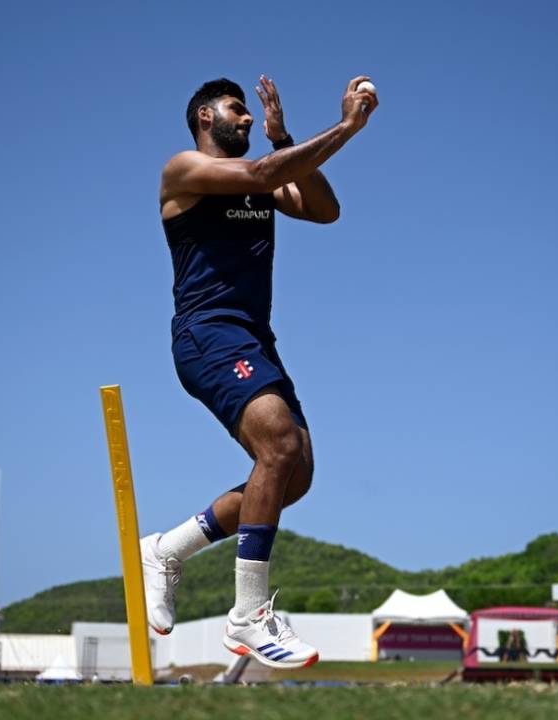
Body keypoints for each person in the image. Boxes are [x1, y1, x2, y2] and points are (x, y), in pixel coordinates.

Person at [137, 75, 378, 670]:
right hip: (207, 334)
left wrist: (287, 139)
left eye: (249, 112)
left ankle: (168, 550)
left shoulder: (264, 182)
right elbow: (263, 173)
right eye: (235, 109)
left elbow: (325, 210)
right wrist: (347, 128)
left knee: (294, 473)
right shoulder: (183, 169)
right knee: (279, 443)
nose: (246, 119)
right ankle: (248, 614)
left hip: (254, 338)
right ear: (204, 117)